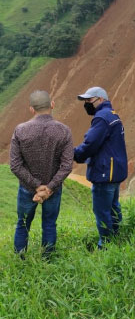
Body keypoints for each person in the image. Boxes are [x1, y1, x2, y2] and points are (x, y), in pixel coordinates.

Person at [8, 90, 73, 258]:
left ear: (31, 109)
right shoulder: (64, 131)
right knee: (50, 224)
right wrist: (49, 188)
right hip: (53, 189)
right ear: (52, 105)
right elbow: (67, 166)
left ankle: (19, 261)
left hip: (27, 189)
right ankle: (48, 260)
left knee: (22, 225)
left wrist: (36, 186)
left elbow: (15, 165)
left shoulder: (20, 130)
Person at [73, 86, 128, 248]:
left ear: (101, 99)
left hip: (104, 172)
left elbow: (90, 144)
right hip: (114, 171)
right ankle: (117, 237)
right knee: (113, 207)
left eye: (89, 100)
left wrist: (74, 154)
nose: (86, 104)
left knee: (102, 211)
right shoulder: (112, 115)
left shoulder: (101, 118)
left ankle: (105, 245)